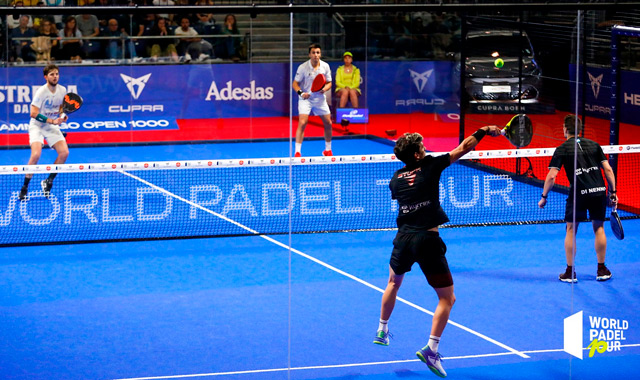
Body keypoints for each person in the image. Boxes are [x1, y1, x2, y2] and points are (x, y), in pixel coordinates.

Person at [374, 126, 501, 378]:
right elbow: (464, 148)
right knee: (447, 299)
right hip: (427, 240)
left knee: (393, 282)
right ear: (418, 155)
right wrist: (484, 130)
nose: (425, 148)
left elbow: (405, 197)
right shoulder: (431, 165)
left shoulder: (395, 179)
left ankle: (382, 329)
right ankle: (431, 349)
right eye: (422, 146)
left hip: (403, 239)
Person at [538, 115, 617, 283]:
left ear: (565, 130)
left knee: (571, 230)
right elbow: (608, 170)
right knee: (599, 229)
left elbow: (551, 176)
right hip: (599, 191)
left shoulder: (562, 149)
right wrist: (613, 192)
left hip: (578, 193)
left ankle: (570, 272)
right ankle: (602, 269)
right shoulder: (595, 145)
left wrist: (544, 197)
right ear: (580, 130)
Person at [19, 64, 70, 201]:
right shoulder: (41, 92)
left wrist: (62, 116)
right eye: (52, 74)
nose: (55, 77)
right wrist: (52, 121)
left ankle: (48, 181)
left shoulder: (62, 90)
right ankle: (25, 187)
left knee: (64, 153)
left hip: (51, 125)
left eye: (57, 74)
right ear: (46, 77)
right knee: (35, 155)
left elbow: (60, 107)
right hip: (37, 126)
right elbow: (33, 113)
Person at [292, 43, 333, 157]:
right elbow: (295, 84)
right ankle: (297, 152)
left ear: (320, 54)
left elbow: (329, 82)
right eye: (313, 53)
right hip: (305, 99)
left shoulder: (325, 66)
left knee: (328, 123)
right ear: (309, 54)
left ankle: (328, 150)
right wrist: (301, 93)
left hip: (320, 99)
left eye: (318, 52)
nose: (316, 55)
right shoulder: (303, 67)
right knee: (302, 122)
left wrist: (324, 89)